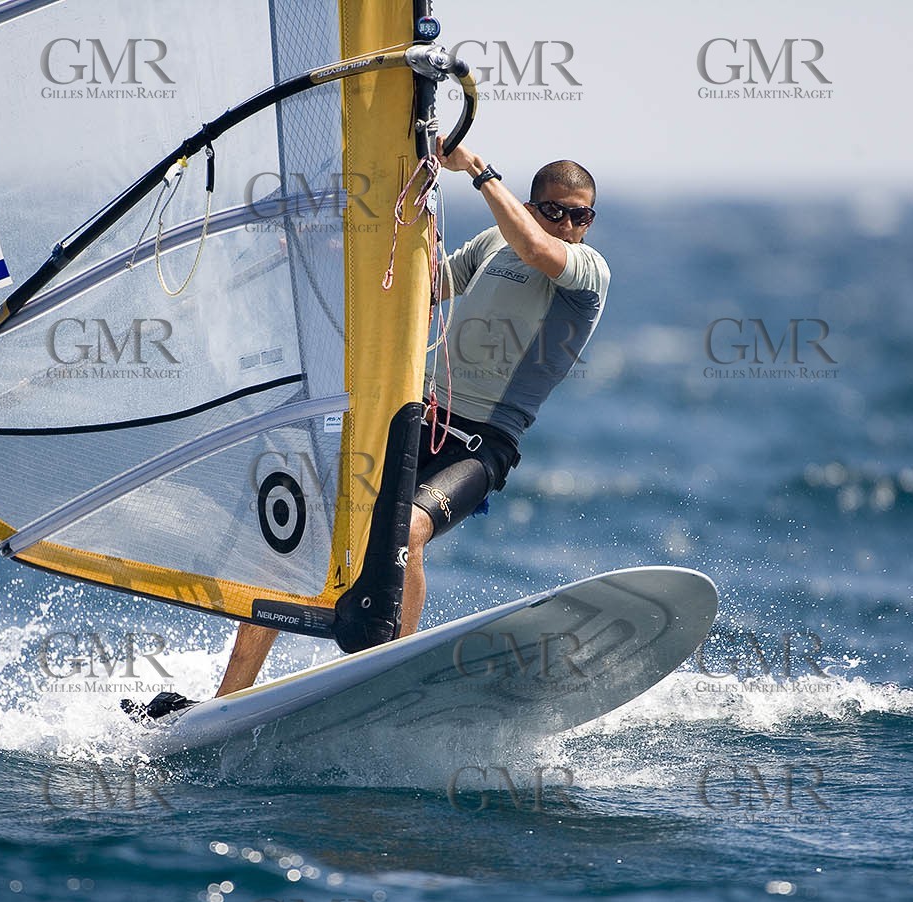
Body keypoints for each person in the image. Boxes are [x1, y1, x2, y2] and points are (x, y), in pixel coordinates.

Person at [124, 141, 609, 720]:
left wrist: (477, 171)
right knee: (299, 537)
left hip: (485, 445)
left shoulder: (587, 271)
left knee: (405, 533)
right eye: (556, 212)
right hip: (423, 418)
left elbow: (535, 249)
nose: (570, 225)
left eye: (582, 215)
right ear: (532, 206)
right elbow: (422, 285)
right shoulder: (491, 244)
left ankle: (391, 673)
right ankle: (224, 702)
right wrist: (325, 245)